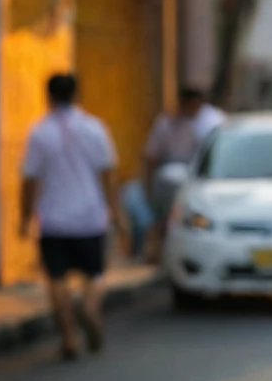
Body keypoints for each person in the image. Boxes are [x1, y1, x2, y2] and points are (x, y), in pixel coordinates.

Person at [20, 73, 125, 360]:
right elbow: (108, 175)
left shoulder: (39, 132)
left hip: (53, 218)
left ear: (49, 96)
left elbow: (29, 179)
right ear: (77, 94)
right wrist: (116, 214)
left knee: (56, 278)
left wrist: (24, 217)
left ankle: (68, 339)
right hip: (90, 216)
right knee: (95, 273)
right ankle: (90, 305)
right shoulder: (94, 128)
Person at [142, 86, 225, 259]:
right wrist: (148, 188)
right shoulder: (168, 122)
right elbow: (151, 156)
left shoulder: (213, 121)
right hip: (172, 180)